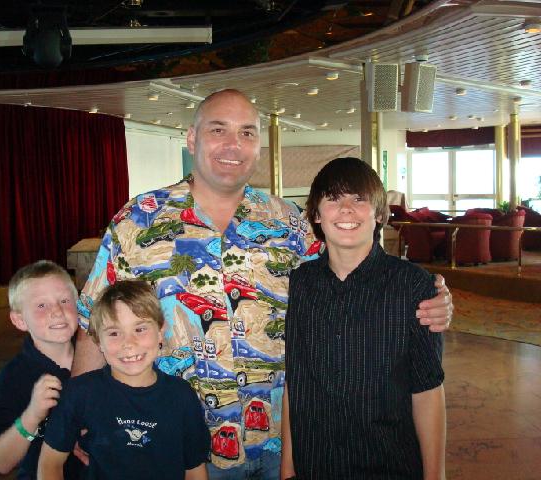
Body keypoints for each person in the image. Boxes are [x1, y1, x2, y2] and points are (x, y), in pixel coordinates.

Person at [72, 89, 453, 479]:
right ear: (192, 138)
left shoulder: (287, 222)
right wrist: (80, 412)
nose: (233, 144)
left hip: (280, 443)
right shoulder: (139, 220)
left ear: (258, 147)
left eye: (247, 133)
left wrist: (432, 296)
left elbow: (354, 269)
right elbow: (93, 323)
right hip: (178, 444)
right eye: (218, 129)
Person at [281, 157, 446, 479]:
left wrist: (435, 476)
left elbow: (427, 390)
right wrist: (288, 469)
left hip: (389, 464)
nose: (346, 210)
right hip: (317, 464)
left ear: (379, 214)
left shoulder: (412, 286)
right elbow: (296, 383)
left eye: (359, 199)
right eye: (333, 198)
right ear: (316, 214)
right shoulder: (302, 283)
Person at [38, 281, 210, 479]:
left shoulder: (182, 396)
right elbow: (49, 463)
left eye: (140, 329)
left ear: (160, 332)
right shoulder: (79, 393)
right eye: (114, 333)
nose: (128, 343)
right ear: (98, 341)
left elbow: (195, 471)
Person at [0, 260, 82, 479]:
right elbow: (0, 462)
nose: (57, 311)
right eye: (41, 305)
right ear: (19, 320)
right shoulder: (14, 377)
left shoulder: (101, 356)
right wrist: (32, 415)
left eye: (64, 300)